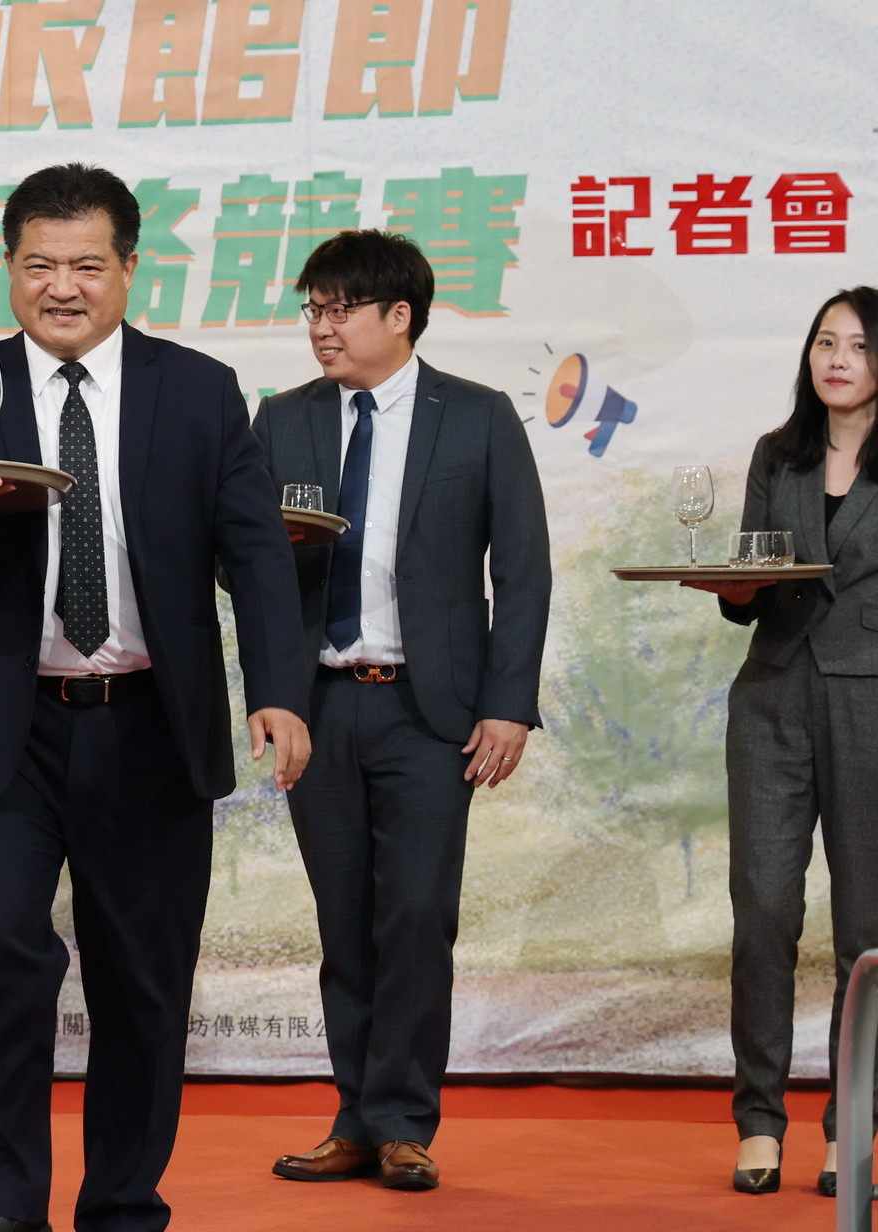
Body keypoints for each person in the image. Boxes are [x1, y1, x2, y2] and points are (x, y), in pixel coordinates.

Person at [0, 162, 312, 1232]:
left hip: (150, 725)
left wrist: (278, 690)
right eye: (38, 264)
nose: (61, 287)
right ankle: (1, 1207)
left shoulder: (197, 389)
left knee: (142, 980)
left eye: (85, 264)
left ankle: (122, 1205)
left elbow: (255, 552)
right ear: (8, 268)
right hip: (10, 725)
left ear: (127, 267)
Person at [252, 230, 549, 1192]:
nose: (322, 328)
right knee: (343, 922)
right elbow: (242, 568)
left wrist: (507, 705)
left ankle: (403, 1122)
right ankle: (353, 1119)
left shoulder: (477, 416)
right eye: (313, 310)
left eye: (340, 310)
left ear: (399, 316)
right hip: (319, 706)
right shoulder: (282, 419)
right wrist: (270, 688)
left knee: (416, 917)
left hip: (429, 712)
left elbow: (523, 571)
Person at [683, 286, 878, 1198]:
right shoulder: (778, 453)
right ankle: (759, 1121)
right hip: (769, 698)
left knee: (865, 932)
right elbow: (751, 583)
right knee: (762, 915)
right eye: (824, 342)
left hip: (870, 699)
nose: (837, 359)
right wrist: (731, 588)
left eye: (859, 345)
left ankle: (852, 1128)